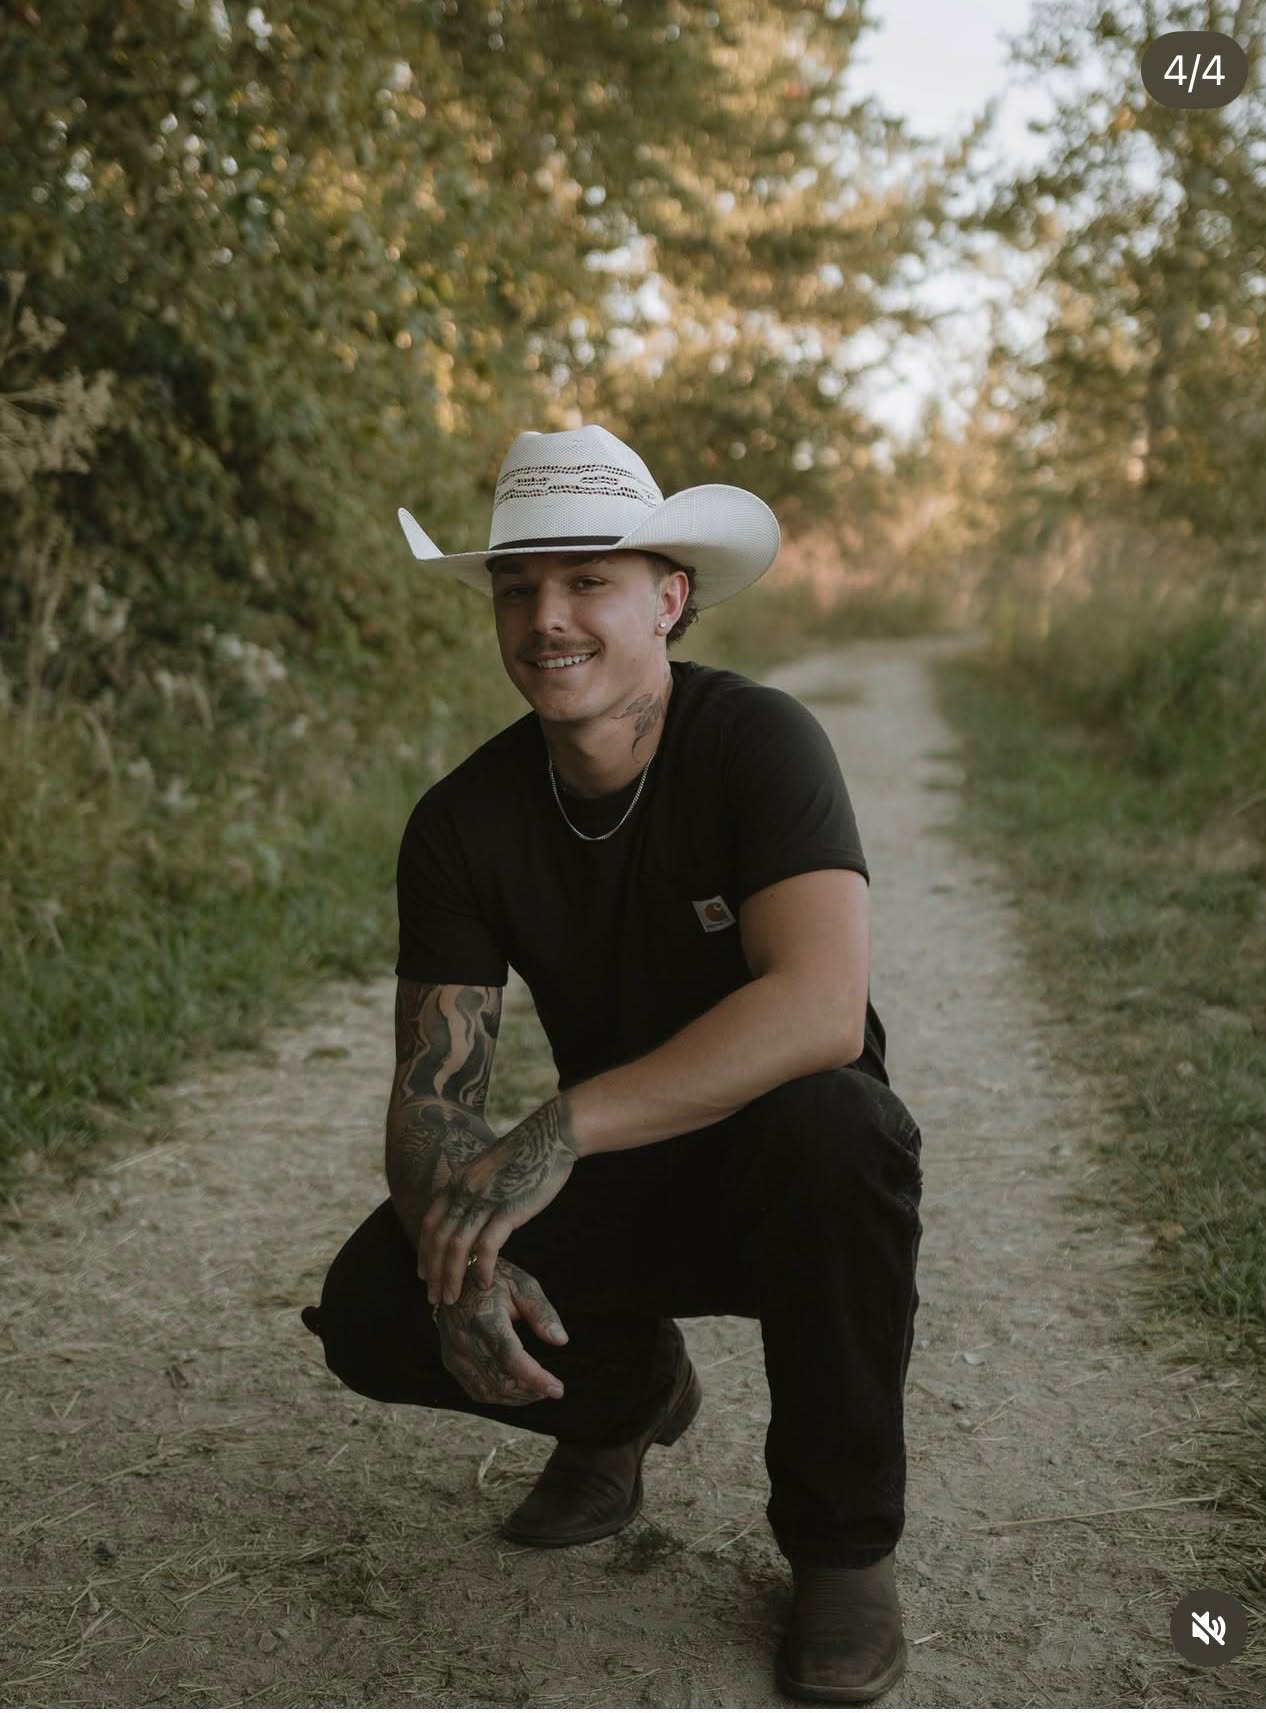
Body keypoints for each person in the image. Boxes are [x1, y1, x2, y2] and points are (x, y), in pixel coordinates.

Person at [301, 424, 923, 1705]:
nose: (547, 617)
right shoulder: (462, 821)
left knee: (841, 1129)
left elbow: (820, 1007)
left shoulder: (759, 742)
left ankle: (840, 1548)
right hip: (621, 1174)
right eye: (517, 587)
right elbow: (430, 1100)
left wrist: (563, 1126)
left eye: (589, 580)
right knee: (376, 1302)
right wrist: (458, 1251)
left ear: (669, 600)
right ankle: (619, 1402)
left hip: (779, 1168)